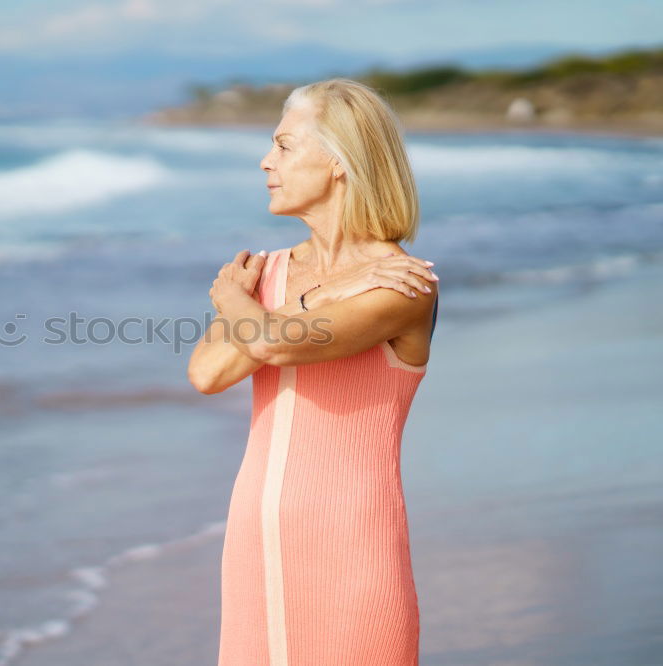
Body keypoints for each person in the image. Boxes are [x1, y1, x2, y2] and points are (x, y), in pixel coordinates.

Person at [187, 78, 439, 665]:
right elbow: (207, 372)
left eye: (284, 146)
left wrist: (234, 300)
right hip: (256, 535)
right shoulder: (268, 272)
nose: (265, 161)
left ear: (340, 163)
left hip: (351, 544)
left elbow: (276, 345)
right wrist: (302, 298)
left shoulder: (402, 284)